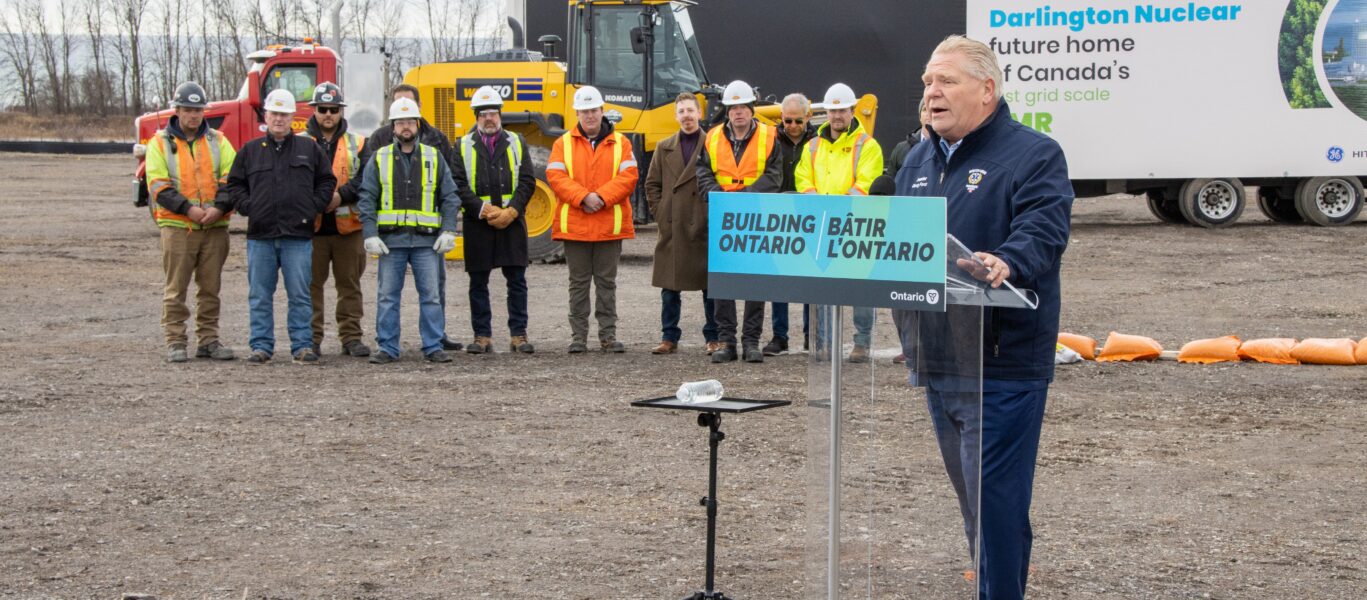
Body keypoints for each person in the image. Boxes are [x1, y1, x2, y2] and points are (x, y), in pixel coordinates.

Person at [893, 35, 1072, 599]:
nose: (931, 91)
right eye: (926, 82)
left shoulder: (1034, 154)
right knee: (974, 502)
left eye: (945, 80)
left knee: (995, 503)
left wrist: (1008, 261)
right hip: (939, 358)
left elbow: (1044, 230)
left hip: (1002, 364)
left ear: (987, 90)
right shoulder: (916, 158)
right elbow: (900, 242)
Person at [215, 89, 337, 364]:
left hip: (298, 236)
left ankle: (302, 346)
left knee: (300, 295)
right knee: (259, 295)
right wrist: (248, 206)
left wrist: (313, 206)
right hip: (261, 236)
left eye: (284, 114)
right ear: (265, 116)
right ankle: (261, 346)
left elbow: (327, 181)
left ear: (292, 117)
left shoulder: (309, 149)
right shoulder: (250, 151)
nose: (279, 119)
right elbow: (234, 184)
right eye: (274, 114)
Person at [354, 83, 463, 352]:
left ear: (418, 124)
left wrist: (449, 229)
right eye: (400, 121)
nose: (405, 126)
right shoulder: (379, 158)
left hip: (427, 243)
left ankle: (433, 347)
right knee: (388, 298)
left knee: (431, 297)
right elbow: (366, 197)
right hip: (392, 242)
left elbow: (450, 196)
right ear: (392, 127)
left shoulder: (434, 156)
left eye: (410, 121)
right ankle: (388, 348)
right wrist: (370, 233)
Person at [144, 81, 239, 363]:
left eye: (198, 110)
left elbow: (231, 178)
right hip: (177, 228)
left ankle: (208, 340)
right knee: (176, 288)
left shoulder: (218, 141)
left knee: (211, 288)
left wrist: (218, 208)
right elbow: (158, 185)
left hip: (215, 226)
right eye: (188, 109)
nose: (193, 115)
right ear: (177, 109)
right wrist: (189, 210)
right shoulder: (159, 143)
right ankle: (176, 340)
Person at [795, 83, 885, 363]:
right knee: (823, 288)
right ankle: (824, 342)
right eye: (832, 110)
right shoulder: (812, 146)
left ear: (852, 111)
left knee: (860, 289)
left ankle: (862, 343)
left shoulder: (867, 145)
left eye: (842, 110)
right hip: (822, 227)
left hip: (855, 227)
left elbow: (866, 183)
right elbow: (802, 179)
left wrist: (836, 210)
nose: (836, 115)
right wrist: (817, 205)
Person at [545, 86, 639, 354]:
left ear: (602, 111)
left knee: (606, 283)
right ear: (577, 113)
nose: (589, 116)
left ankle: (608, 336)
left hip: (609, 225)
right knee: (578, 283)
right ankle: (579, 338)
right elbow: (556, 178)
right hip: (576, 227)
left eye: (593, 110)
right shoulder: (562, 143)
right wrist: (585, 197)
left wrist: (600, 197)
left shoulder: (622, 143)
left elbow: (629, 177)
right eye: (584, 111)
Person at [697, 79, 782, 364]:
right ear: (727, 110)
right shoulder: (711, 137)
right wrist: (718, 195)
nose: (738, 113)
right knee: (723, 283)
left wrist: (746, 196)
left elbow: (774, 176)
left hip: (756, 217)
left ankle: (751, 342)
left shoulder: (770, 136)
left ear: (751, 109)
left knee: (755, 282)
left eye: (743, 107)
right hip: (723, 216)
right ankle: (727, 342)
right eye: (733, 108)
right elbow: (702, 172)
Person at [451, 86, 537, 355]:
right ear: (476, 117)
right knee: (478, 282)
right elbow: (458, 184)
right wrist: (484, 210)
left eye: (493, 113)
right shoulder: (462, 146)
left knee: (517, 281)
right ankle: (482, 335)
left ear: (500, 115)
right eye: (484, 114)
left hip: (512, 223)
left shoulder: (516, 141)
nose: (489, 118)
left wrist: (512, 211)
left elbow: (527, 181)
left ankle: (519, 335)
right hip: (479, 224)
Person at [300, 82, 371, 358]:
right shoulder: (300, 142)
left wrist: (340, 196)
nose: (328, 114)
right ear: (314, 111)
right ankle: (311, 339)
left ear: (341, 111)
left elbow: (365, 180)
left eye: (333, 109)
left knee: (350, 286)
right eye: (322, 109)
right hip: (311, 229)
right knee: (310, 287)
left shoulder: (359, 143)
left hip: (348, 228)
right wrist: (318, 200)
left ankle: (351, 337)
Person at [645, 92, 718, 355]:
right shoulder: (664, 147)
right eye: (682, 111)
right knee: (669, 286)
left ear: (700, 113)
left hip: (703, 225)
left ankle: (713, 336)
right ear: (676, 116)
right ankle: (669, 337)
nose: (686, 116)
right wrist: (662, 212)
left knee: (710, 286)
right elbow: (652, 184)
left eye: (690, 110)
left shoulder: (713, 144)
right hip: (674, 225)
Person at [764, 92, 818, 357]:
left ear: (808, 117)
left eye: (798, 120)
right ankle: (779, 335)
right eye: (788, 120)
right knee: (779, 276)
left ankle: (812, 334)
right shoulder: (770, 140)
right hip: (779, 215)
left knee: (810, 276)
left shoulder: (819, 141)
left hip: (810, 214)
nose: (793, 126)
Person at [886, 98, 930, 180]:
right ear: (920, 117)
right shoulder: (901, 149)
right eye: (925, 109)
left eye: (934, 109)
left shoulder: (950, 147)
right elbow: (890, 183)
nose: (929, 114)